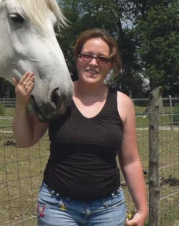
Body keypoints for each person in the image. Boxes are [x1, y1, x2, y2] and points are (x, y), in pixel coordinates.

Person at [12, 28, 148, 226]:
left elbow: (130, 161)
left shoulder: (123, 103)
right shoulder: (58, 96)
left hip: (108, 210)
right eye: (87, 55)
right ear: (77, 58)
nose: (93, 63)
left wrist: (142, 209)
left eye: (102, 58)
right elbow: (25, 140)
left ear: (111, 66)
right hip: (57, 208)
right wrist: (21, 105)